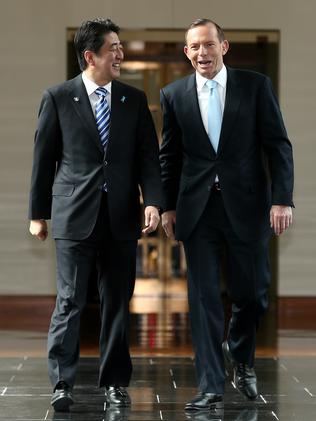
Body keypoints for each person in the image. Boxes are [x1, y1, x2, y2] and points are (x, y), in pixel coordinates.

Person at [160, 18, 294, 411]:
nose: (202, 53)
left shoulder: (255, 87)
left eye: (208, 45)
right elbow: (169, 156)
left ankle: (241, 355)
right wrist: (167, 205)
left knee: (251, 294)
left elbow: (278, 146)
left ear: (224, 47)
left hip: (249, 206)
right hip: (197, 210)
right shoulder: (173, 95)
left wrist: (282, 199)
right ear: (187, 52)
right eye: (194, 47)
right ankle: (210, 385)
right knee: (202, 298)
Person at [28, 18, 162, 412]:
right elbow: (44, 158)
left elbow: (148, 158)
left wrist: (152, 200)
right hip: (73, 215)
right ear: (90, 56)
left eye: (121, 47)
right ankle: (62, 381)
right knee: (69, 300)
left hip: (121, 217)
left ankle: (115, 383)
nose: (121, 54)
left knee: (117, 301)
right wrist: (39, 213)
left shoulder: (133, 100)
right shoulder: (57, 97)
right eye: (113, 48)